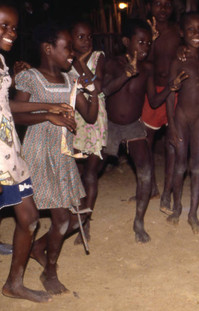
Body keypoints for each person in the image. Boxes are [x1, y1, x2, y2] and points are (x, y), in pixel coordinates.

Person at [14, 22, 99, 294]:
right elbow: (15, 114)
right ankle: (44, 269)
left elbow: (91, 116)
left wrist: (93, 91)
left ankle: (43, 257)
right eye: (67, 49)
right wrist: (48, 115)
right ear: (48, 49)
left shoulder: (69, 80)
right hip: (38, 153)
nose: (72, 54)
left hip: (62, 155)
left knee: (67, 218)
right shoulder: (31, 78)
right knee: (39, 217)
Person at [0, 3, 74, 302]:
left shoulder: (2, 63)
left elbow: (7, 108)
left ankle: (13, 284)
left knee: (29, 218)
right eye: (4, 25)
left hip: (7, 151)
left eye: (14, 27)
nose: (11, 33)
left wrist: (50, 110)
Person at [101, 18, 187, 243]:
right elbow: (105, 90)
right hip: (108, 125)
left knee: (146, 171)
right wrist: (126, 75)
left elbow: (156, 101)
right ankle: (82, 220)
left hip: (132, 125)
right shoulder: (112, 63)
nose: (145, 47)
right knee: (91, 172)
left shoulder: (148, 69)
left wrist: (171, 87)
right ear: (126, 42)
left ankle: (139, 221)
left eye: (148, 43)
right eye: (140, 42)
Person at [165, 12, 199, 234]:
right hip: (182, 118)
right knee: (180, 165)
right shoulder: (178, 60)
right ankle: (176, 208)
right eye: (191, 29)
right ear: (182, 33)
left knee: (198, 166)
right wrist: (171, 126)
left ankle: (193, 214)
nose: (197, 33)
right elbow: (169, 94)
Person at [69, 20, 107, 244]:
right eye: (80, 37)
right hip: (73, 120)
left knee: (91, 172)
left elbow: (98, 86)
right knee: (75, 171)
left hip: (94, 120)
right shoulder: (64, 58)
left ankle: (86, 221)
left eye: (89, 36)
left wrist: (82, 64)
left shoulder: (97, 57)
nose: (86, 41)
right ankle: (73, 217)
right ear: (71, 38)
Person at [142, 0, 181, 213]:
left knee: (172, 142)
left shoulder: (178, 32)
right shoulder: (144, 32)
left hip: (175, 91)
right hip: (152, 92)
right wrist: (151, 39)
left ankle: (167, 192)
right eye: (158, 3)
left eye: (167, 4)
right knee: (145, 141)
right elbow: (142, 60)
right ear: (150, 7)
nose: (163, 9)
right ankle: (152, 186)